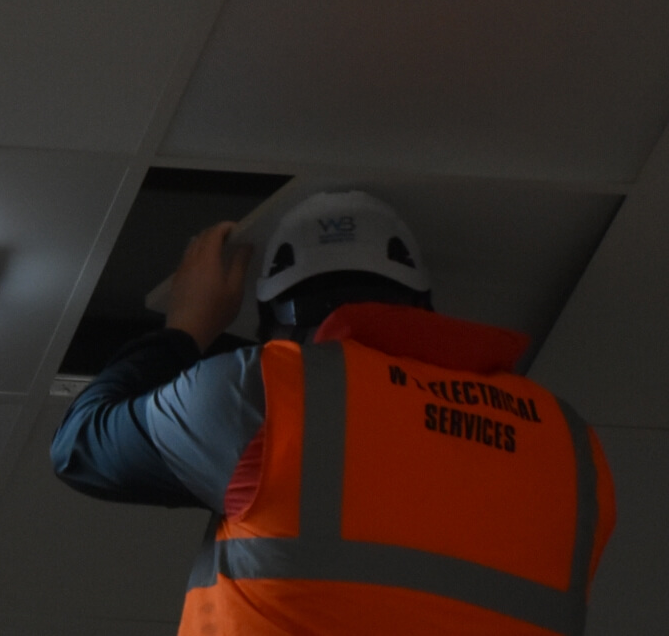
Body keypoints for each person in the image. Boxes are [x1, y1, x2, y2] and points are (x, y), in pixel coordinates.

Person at [51, 191, 616, 635]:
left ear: (276, 331)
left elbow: (81, 445)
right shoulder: (569, 443)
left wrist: (187, 326)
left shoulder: (269, 389)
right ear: (424, 307)